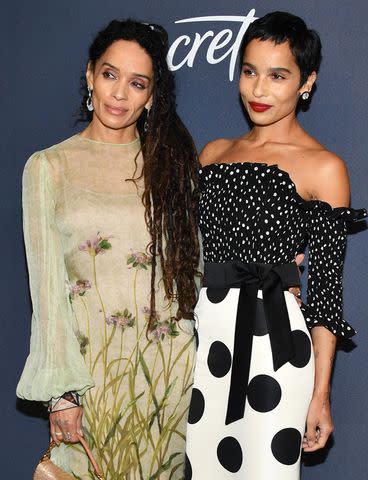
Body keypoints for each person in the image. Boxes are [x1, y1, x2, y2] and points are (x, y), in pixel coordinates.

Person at [185, 11, 366, 480]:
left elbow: (325, 291)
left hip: (275, 343)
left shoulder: (324, 167)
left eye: (277, 75)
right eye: (249, 72)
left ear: (307, 82)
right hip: (205, 341)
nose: (259, 90)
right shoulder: (213, 153)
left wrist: (320, 394)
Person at [16, 20, 200, 479]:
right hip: (90, 382)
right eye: (110, 75)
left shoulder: (173, 169)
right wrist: (61, 393)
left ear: (152, 95)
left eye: (137, 83)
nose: (120, 94)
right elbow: (47, 293)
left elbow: (193, 272)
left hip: (170, 379)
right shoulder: (48, 168)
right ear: (90, 76)